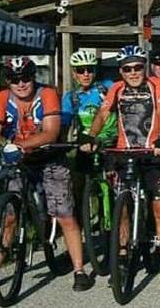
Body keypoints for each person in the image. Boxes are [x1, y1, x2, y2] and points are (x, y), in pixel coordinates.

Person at [0, 56, 93, 291]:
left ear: (33, 78)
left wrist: (20, 145)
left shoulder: (47, 94)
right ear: (7, 81)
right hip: (18, 160)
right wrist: (3, 145)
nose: (21, 84)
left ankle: (79, 270)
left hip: (49, 159)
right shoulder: (1, 98)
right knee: (9, 216)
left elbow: (51, 132)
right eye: (14, 79)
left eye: (26, 78)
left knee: (65, 214)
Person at [80, 45, 160, 286]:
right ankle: (123, 258)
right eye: (127, 68)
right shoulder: (117, 88)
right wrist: (90, 136)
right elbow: (103, 114)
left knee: (159, 210)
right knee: (122, 209)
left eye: (137, 67)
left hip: (153, 153)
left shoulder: (157, 84)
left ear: (144, 67)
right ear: (121, 71)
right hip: (125, 154)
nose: (133, 72)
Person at [61, 50, 118, 224]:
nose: (86, 74)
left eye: (89, 69)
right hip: (85, 143)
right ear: (74, 73)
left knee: (114, 182)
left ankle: (117, 219)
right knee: (77, 182)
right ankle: (80, 225)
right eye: (80, 70)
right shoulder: (71, 97)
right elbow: (65, 122)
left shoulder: (107, 87)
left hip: (110, 141)